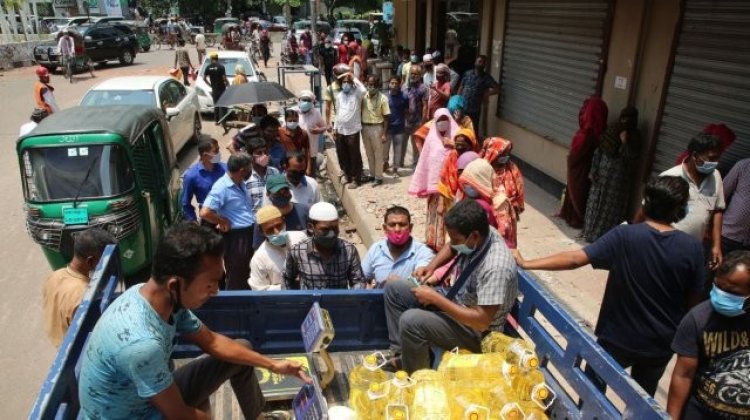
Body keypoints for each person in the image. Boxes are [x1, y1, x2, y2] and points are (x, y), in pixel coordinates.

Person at [78, 223, 310, 419]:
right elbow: (179, 415)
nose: (216, 292)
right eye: (210, 284)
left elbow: (211, 342)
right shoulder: (141, 345)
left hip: (152, 393)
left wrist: (273, 364)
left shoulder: (159, 297)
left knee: (243, 350)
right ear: (175, 284)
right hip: (135, 414)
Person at [513, 176, 705, 396]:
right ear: (679, 209)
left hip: (617, 338)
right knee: (643, 396)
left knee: (593, 387)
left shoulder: (625, 236)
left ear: (646, 203)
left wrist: (528, 263)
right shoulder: (692, 248)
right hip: (659, 344)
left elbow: (576, 259)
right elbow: (692, 303)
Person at [383, 199, 518, 373]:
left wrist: (435, 299)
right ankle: (403, 354)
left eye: (456, 239)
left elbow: (482, 322)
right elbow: (453, 246)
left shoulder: (496, 266)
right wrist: (431, 267)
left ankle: (417, 379)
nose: (453, 243)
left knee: (411, 320)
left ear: (474, 236)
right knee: (395, 289)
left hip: (479, 333)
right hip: (460, 304)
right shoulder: (481, 232)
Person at [667, 251, 750, 420]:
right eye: (718, 287)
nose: (721, 294)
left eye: (731, 291)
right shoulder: (697, 319)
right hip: (702, 412)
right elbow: (683, 375)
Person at [661, 133, 726, 271]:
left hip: (693, 251)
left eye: (718, 158)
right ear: (695, 155)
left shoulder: (716, 177)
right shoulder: (670, 176)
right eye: (711, 158)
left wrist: (716, 246)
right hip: (664, 249)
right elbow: (646, 211)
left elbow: (718, 211)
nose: (715, 163)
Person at [43, 228, 115, 348]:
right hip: (73, 352)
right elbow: (91, 335)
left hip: (58, 340)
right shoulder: (84, 295)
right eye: (104, 260)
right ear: (91, 261)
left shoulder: (55, 275)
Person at [583, 106, 641, 242]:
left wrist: (624, 142)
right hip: (601, 178)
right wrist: (593, 170)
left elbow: (631, 158)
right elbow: (599, 151)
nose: (626, 122)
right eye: (624, 118)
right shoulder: (612, 130)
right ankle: (589, 233)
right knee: (594, 205)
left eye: (630, 119)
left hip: (618, 182)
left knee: (610, 211)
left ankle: (604, 238)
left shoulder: (635, 137)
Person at [200, 153, 256, 290]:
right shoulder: (222, 187)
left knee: (250, 272)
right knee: (238, 274)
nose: (251, 170)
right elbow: (205, 212)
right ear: (242, 170)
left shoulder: (240, 183)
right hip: (237, 238)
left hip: (249, 234)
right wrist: (222, 221)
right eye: (250, 167)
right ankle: (236, 305)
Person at [408, 108, 460, 252]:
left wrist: (454, 145)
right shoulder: (431, 138)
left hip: (452, 187)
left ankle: (450, 247)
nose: (442, 123)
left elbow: (469, 151)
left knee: (451, 215)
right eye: (439, 121)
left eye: (445, 120)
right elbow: (426, 160)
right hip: (434, 187)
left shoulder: (458, 135)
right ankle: (433, 242)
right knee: (435, 213)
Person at [283, 202, 366, 290]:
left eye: (335, 228)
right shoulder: (297, 252)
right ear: (311, 228)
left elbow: (358, 281)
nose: (331, 234)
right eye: (325, 230)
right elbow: (287, 279)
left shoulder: (348, 251)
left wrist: (353, 300)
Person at [559, 96, 609, 229]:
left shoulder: (589, 133)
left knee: (579, 192)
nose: (582, 113)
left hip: (582, 169)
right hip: (584, 168)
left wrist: (571, 159)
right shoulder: (599, 131)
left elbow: (579, 152)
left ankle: (576, 218)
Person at [363, 206, 435, 288]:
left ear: (410, 227)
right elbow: (361, 278)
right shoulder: (376, 249)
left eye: (402, 225)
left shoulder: (422, 252)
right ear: (385, 228)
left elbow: (422, 280)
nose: (397, 229)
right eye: (392, 225)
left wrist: (398, 284)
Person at [249, 206, 308, 291]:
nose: (277, 232)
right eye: (270, 230)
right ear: (262, 232)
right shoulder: (259, 259)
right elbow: (259, 290)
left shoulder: (301, 238)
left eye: (279, 226)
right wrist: (287, 285)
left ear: (284, 222)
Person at [481, 137, 525, 248]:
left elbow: (519, 192)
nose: (505, 157)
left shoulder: (512, 168)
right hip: (486, 215)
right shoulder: (482, 169)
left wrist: (514, 209)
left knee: (506, 245)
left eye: (507, 153)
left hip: (507, 216)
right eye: (502, 153)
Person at [253, 174, 310, 249]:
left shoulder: (304, 210)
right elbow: (258, 248)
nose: (282, 195)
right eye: (278, 192)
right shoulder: (263, 219)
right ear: (268, 194)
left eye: (285, 191)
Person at [333, 71, 367, 189]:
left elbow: (363, 90)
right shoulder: (339, 96)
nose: (346, 84)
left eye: (348, 82)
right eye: (344, 82)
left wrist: (354, 78)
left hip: (353, 130)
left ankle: (356, 179)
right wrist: (335, 128)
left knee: (354, 155)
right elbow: (337, 112)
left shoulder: (356, 94)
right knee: (344, 154)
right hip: (341, 130)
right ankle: (347, 176)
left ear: (351, 83)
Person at [181, 138, 227, 225]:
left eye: (218, 149)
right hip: (209, 219)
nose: (219, 153)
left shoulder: (225, 169)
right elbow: (185, 203)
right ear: (205, 155)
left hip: (228, 216)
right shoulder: (191, 176)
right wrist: (193, 221)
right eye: (216, 151)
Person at [436, 127, 479, 218]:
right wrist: (441, 204)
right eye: (457, 144)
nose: (459, 147)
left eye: (463, 145)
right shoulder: (452, 157)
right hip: (450, 200)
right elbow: (443, 181)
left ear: (471, 144)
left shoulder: (476, 159)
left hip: (469, 202)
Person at [457, 55, 499, 138]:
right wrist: (458, 100)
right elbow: (461, 87)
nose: (481, 64)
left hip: (475, 109)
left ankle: (472, 147)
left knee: (473, 129)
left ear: (484, 65)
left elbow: (497, 88)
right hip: (463, 106)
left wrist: (486, 94)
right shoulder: (467, 73)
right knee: (460, 127)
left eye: (483, 63)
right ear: (475, 62)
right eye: (479, 61)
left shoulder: (486, 78)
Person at [361, 74, 391, 186]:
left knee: (378, 153)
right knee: (369, 153)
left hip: (377, 128)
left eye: (373, 84)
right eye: (369, 84)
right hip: (365, 127)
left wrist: (384, 133)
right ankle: (372, 174)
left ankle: (378, 177)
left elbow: (387, 118)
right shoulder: (363, 97)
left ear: (378, 85)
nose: (371, 86)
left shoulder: (383, 98)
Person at [458, 157, 499, 230]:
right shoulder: (463, 197)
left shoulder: (499, 204)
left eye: (471, 184)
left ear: (482, 181)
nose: (466, 187)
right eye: (465, 184)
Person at [720, 158, 750, 255]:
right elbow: (720, 197)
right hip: (727, 236)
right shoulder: (744, 166)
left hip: (747, 246)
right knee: (712, 268)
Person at [244, 137, 280, 217]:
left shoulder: (275, 172)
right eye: (259, 153)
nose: (264, 155)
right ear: (250, 155)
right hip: (255, 222)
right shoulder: (245, 177)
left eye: (266, 152)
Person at [296, 90, 327, 176]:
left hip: (312, 151)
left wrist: (319, 130)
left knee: (310, 175)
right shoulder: (293, 112)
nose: (306, 102)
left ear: (312, 102)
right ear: (299, 100)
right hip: (296, 151)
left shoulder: (316, 113)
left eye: (308, 100)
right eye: (304, 100)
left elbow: (325, 127)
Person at [403, 65, 428, 166]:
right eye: (412, 73)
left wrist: (423, 121)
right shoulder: (405, 87)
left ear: (420, 75)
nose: (413, 76)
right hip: (405, 120)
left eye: (416, 74)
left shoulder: (424, 88)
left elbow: (425, 105)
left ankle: (416, 163)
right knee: (402, 143)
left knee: (416, 144)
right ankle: (399, 163)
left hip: (417, 121)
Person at [384, 76, 410, 177]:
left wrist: (407, 123)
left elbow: (406, 111)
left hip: (399, 128)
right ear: (389, 84)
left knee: (397, 150)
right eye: (392, 83)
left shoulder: (404, 96)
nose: (394, 85)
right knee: (385, 149)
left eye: (396, 83)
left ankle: (395, 169)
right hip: (387, 128)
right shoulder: (384, 97)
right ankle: (385, 162)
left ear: (399, 85)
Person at [203, 52, 229, 125]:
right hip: (222, 89)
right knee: (223, 105)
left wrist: (210, 85)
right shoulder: (221, 67)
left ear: (211, 59)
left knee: (216, 105)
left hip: (214, 89)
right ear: (217, 59)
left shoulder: (208, 67)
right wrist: (227, 83)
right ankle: (223, 121)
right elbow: (224, 78)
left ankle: (216, 121)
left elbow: (204, 78)